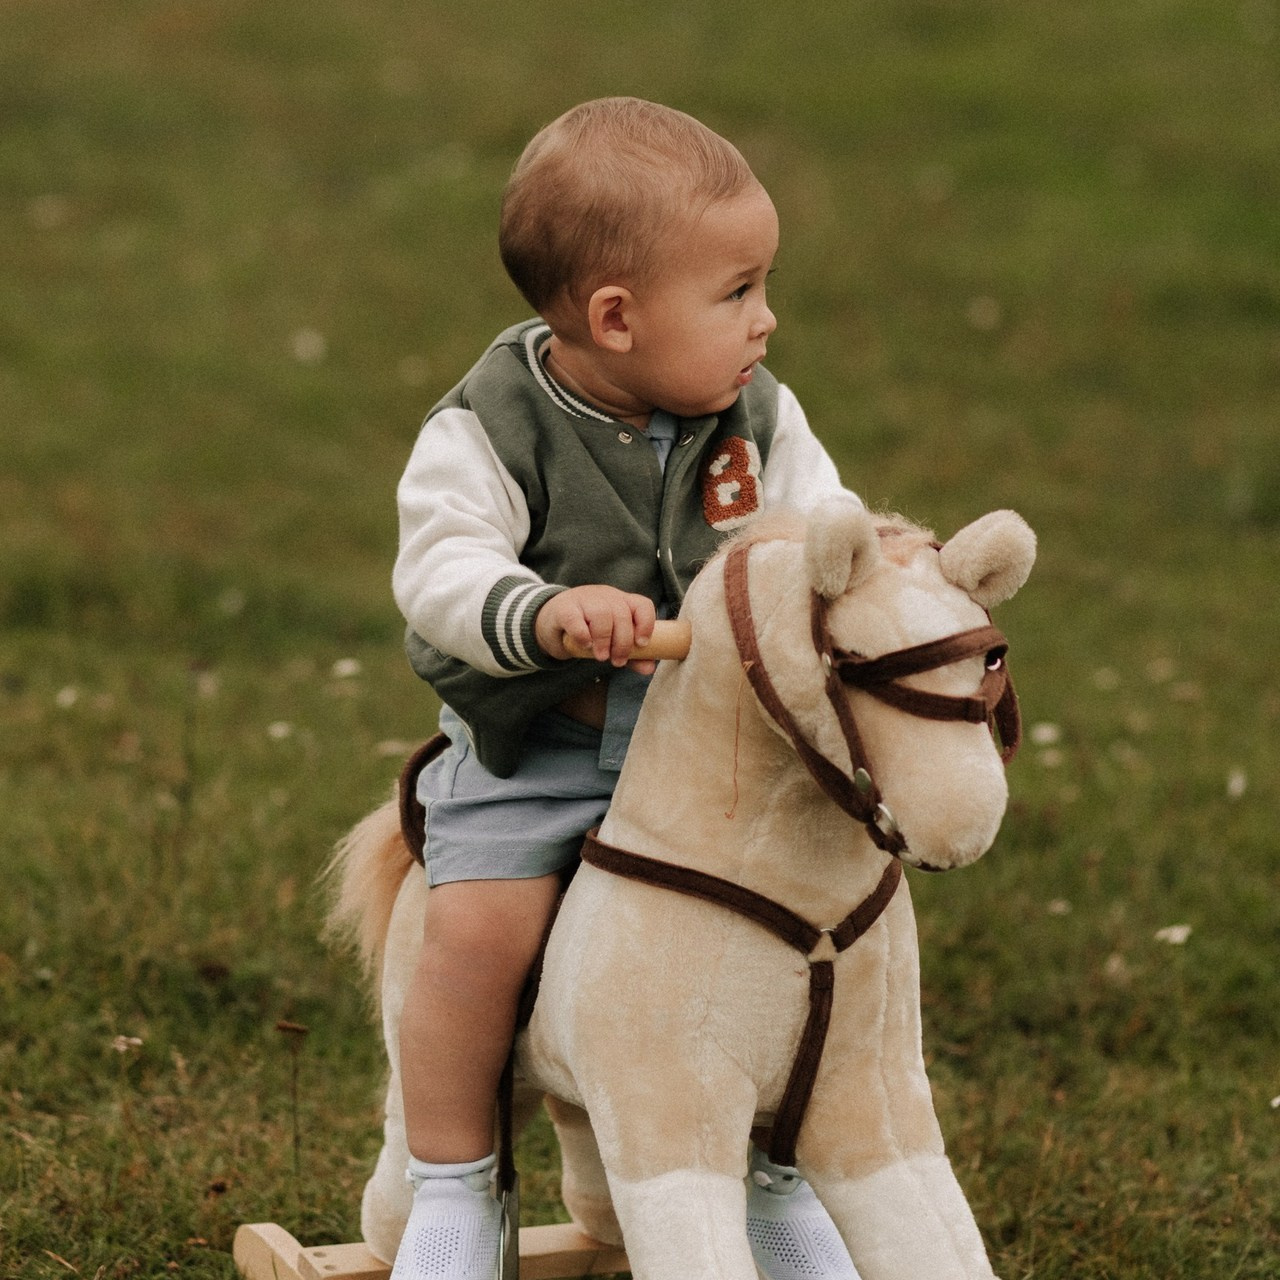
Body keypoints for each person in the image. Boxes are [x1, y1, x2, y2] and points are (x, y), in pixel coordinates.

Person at [390, 96, 861, 1280]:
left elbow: (822, 526)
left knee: (788, 947)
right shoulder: (488, 427)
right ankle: (456, 1183)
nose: (768, 317)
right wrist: (542, 612)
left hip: (709, 766)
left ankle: (769, 1174)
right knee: (473, 939)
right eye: (737, 290)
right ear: (614, 316)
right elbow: (440, 566)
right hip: (542, 748)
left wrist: (863, 574)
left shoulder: (760, 415)